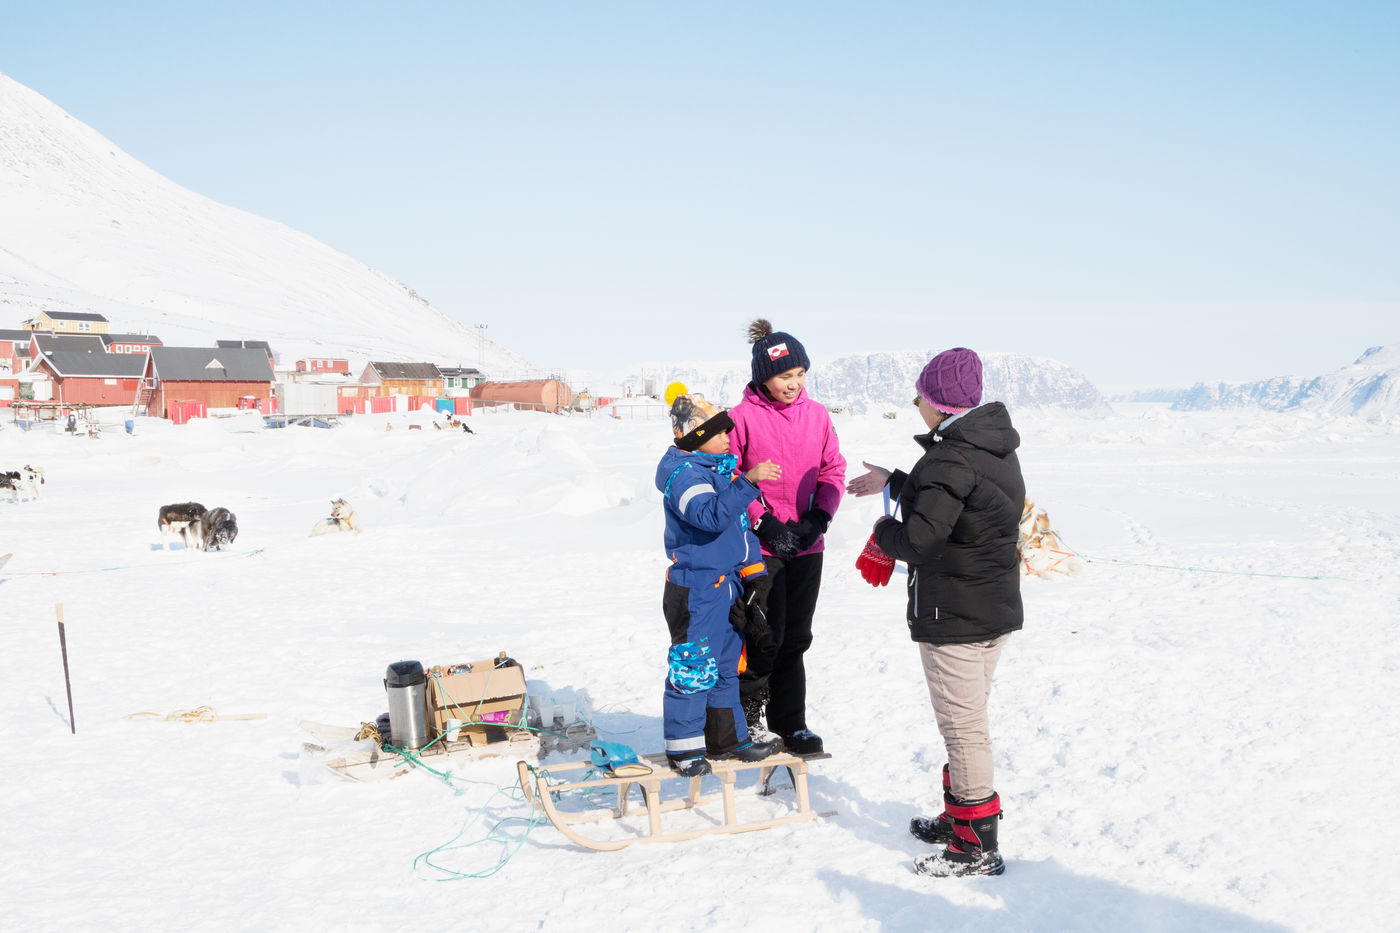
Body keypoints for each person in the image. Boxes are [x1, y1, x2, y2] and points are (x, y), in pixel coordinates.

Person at [846, 347, 1024, 878]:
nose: (917, 406)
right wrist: (896, 481)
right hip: (989, 608)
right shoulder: (990, 446)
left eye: (918, 398)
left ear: (938, 403)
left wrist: (884, 531)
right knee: (965, 721)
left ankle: (975, 845)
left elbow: (921, 539)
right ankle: (958, 817)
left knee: (964, 729)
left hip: (955, 615)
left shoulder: (950, 457)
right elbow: (962, 501)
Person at [729, 320, 847, 755]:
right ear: (764, 377)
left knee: (796, 638)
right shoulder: (740, 418)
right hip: (759, 547)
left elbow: (833, 469)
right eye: (784, 376)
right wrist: (762, 522)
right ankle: (746, 722)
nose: (794, 384)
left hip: (806, 545)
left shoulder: (817, 416)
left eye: (800, 374)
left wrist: (819, 518)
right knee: (763, 636)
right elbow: (729, 475)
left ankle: (790, 723)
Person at [656, 383, 782, 776]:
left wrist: (754, 575)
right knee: (694, 667)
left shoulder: (718, 471)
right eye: (719, 431)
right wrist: (748, 483)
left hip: (726, 586)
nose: (728, 436)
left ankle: (727, 739)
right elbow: (709, 516)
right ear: (696, 436)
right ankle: (684, 749)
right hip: (696, 588)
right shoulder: (683, 475)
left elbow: (739, 530)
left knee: (727, 665)